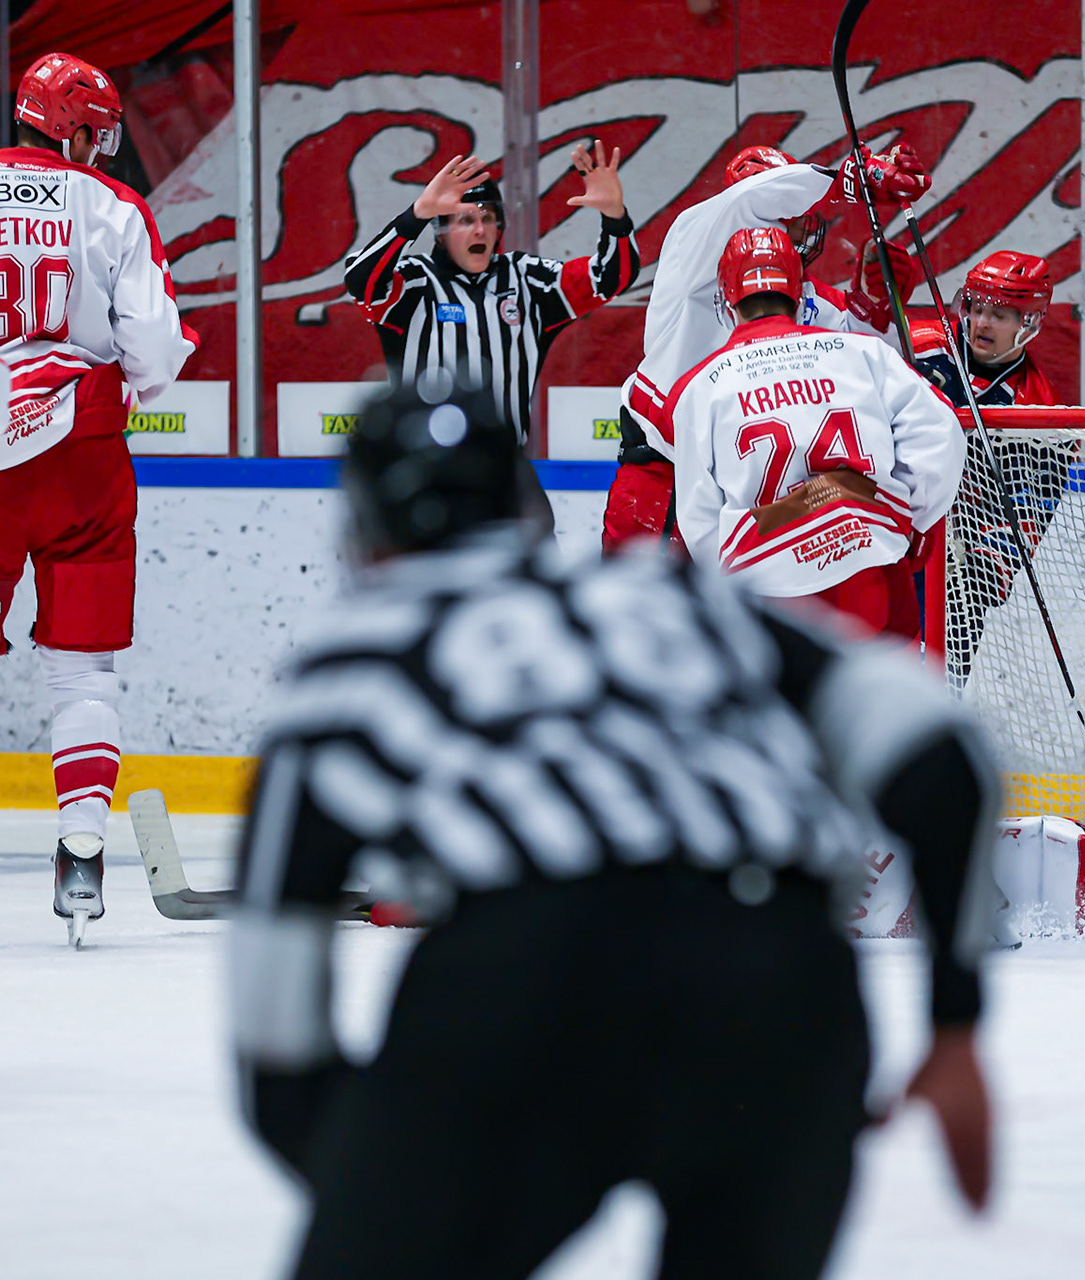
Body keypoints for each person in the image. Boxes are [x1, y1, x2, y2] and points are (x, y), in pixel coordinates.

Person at [228, 382, 999, 1280]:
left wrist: (383, 1196)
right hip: (781, 983)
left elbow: (276, 1016)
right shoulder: (671, 593)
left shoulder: (350, 657)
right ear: (527, 507)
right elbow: (938, 748)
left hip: (529, 981)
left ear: (361, 533)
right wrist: (955, 1023)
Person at [0, 53, 198, 945]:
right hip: (78, 447)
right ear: (76, 128)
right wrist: (141, 385)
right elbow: (152, 347)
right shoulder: (113, 205)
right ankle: (81, 850)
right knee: (82, 669)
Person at [601, 142, 928, 553]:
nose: (798, 227)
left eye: (798, 217)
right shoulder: (694, 243)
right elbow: (750, 199)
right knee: (635, 597)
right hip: (664, 482)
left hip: (767, 499)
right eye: (786, 214)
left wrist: (876, 312)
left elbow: (869, 376)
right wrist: (848, 180)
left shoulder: (812, 299)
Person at [671, 226, 963, 639]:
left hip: (768, 593)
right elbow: (939, 434)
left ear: (727, 297)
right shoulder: (862, 351)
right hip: (870, 569)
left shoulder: (699, 387)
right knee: (886, 680)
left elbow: (699, 520)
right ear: (798, 290)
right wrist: (909, 521)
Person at [341, 139, 642, 527]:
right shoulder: (416, 283)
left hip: (506, 474)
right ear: (440, 231)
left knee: (531, 562)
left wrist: (615, 217)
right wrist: (416, 214)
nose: (480, 229)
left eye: (488, 218)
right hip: (427, 471)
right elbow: (361, 280)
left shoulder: (528, 280)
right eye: (466, 220)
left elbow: (610, 278)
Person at [908, 251, 1066, 679]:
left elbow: (1033, 503)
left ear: (1028, 322)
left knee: (938, 683)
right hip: (893, 535)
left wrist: (987, 570)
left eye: (998, 314)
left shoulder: (1036, 407)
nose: (981, 323)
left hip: (956, 566)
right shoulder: (921, 346)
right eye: (977, 308)